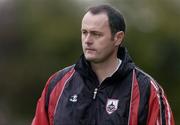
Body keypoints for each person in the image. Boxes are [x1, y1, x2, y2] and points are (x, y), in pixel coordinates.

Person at [32, 4, 175, 125]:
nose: (87, 40)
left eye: (96, 34)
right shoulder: (57, 84)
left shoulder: (147, 90)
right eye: (84, 32)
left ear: (118, 38)